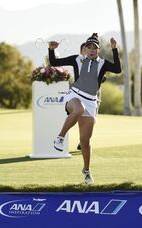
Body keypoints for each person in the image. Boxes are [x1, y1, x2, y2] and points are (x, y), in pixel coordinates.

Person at [48, 33, 121, 184]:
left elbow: (118, 69)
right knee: (78, 109)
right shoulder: (77, 59)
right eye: (89, 47)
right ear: (85, 49)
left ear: (98, 50)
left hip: (91, 102)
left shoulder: (103, 63)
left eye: (95, 47)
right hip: (74, 96)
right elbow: (55, 61)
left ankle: (86, 170)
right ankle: (60, 138)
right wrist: (51, 49)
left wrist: (114, 49)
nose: (92, 50)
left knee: (85, 141)